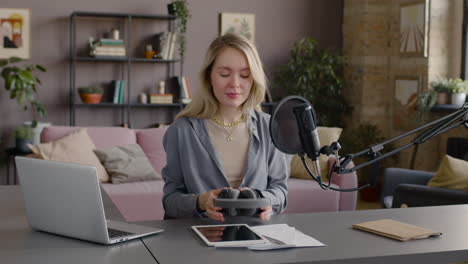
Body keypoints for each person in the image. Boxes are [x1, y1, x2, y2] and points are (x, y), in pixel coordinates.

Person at [162, 33, 288, 222]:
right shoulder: (181, 131)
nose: (235, 84)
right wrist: (200, 202)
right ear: (209, 76)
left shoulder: (269, 127)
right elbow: (170, 201)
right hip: (199, 240)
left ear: (253, 79)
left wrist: (266, 201)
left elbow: (280, 191)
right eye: (224, 74)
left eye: (245, 75)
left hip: (256, 238)